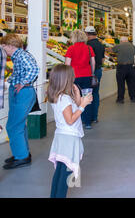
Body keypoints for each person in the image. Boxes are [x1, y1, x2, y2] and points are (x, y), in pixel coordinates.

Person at [47, 64, 93, 198]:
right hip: (69, 138)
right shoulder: (64, 98)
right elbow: (71, 120)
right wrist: (83, 106)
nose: (74, 77)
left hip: (62, 137)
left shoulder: (59, 95)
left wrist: (78, 96)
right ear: (65, 79)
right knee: (66, 175)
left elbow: (74, 108)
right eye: (72, 76)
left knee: (60, 171)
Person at [1, 34, 39, 170]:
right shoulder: (18, 56)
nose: (3, 49)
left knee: (13, 126)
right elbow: (21, 72)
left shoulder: (21, 55)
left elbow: (34, 69)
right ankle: (21, 153)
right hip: (21, 92)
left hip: (23, 93)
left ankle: (21, 157)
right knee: (19, 125)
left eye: (4, 46)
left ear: (11, 45)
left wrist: (23, 83)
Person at [65, 30, 95, 130]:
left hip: (74, 77)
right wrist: (91, 72)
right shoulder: (89, 48)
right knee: (87, 98)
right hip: (87, 76)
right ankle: (88, 122)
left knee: (74, 98)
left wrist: (67, 76)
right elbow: (93, 62)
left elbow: (67, 64)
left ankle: (77, 119)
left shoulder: (71, 48)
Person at [85, 26, 105, 123]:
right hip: (98, 71)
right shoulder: (101, 45)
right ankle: (95, 117)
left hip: (88, 72)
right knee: (95, 93)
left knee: (87, 93)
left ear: (87, 34)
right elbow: (102, 60)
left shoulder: (87, 45)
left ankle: (87, 118)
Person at [112, 36, 135, 103]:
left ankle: (120, 99)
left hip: (121, 67)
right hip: (131, 67)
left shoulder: (119, 46)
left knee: (121, 84)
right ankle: (133, 98)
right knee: (132, 83)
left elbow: (112, 50)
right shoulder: (132, 46)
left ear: (121, 41)